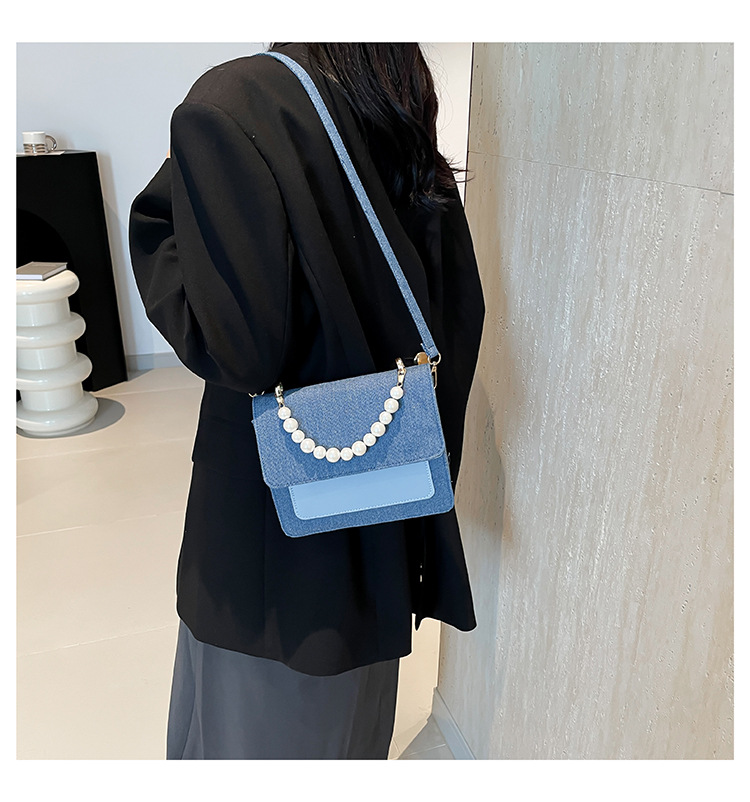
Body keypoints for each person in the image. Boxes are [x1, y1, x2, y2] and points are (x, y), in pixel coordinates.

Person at [128, 42, 485, 760]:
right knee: (351, 730)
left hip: (271, 534)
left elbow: (239, 348)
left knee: (250, 736)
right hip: (383, 504)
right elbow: (457, 309)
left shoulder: (234, 103)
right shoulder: (395, 89)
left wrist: (168, 213)